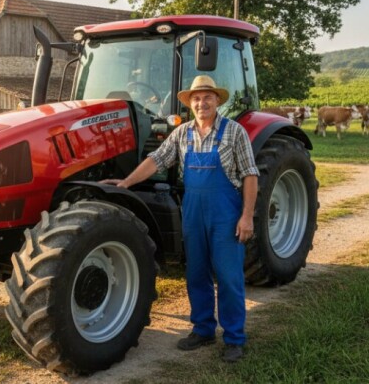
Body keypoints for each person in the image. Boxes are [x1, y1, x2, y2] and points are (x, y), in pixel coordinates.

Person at [102, 75, 259, 363]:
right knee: (196, 273)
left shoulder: (234, 132)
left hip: (225, 213)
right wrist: (126, 183)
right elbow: (157, 160)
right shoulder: (182, 133)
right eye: (196, 99)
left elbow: (250, 174)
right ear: (190, 104)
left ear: (217, 100)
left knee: (228, 276)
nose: (202, 103)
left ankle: (234, 338)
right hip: (194, 212)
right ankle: (203, 330)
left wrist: (247, 216)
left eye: (207, 97)